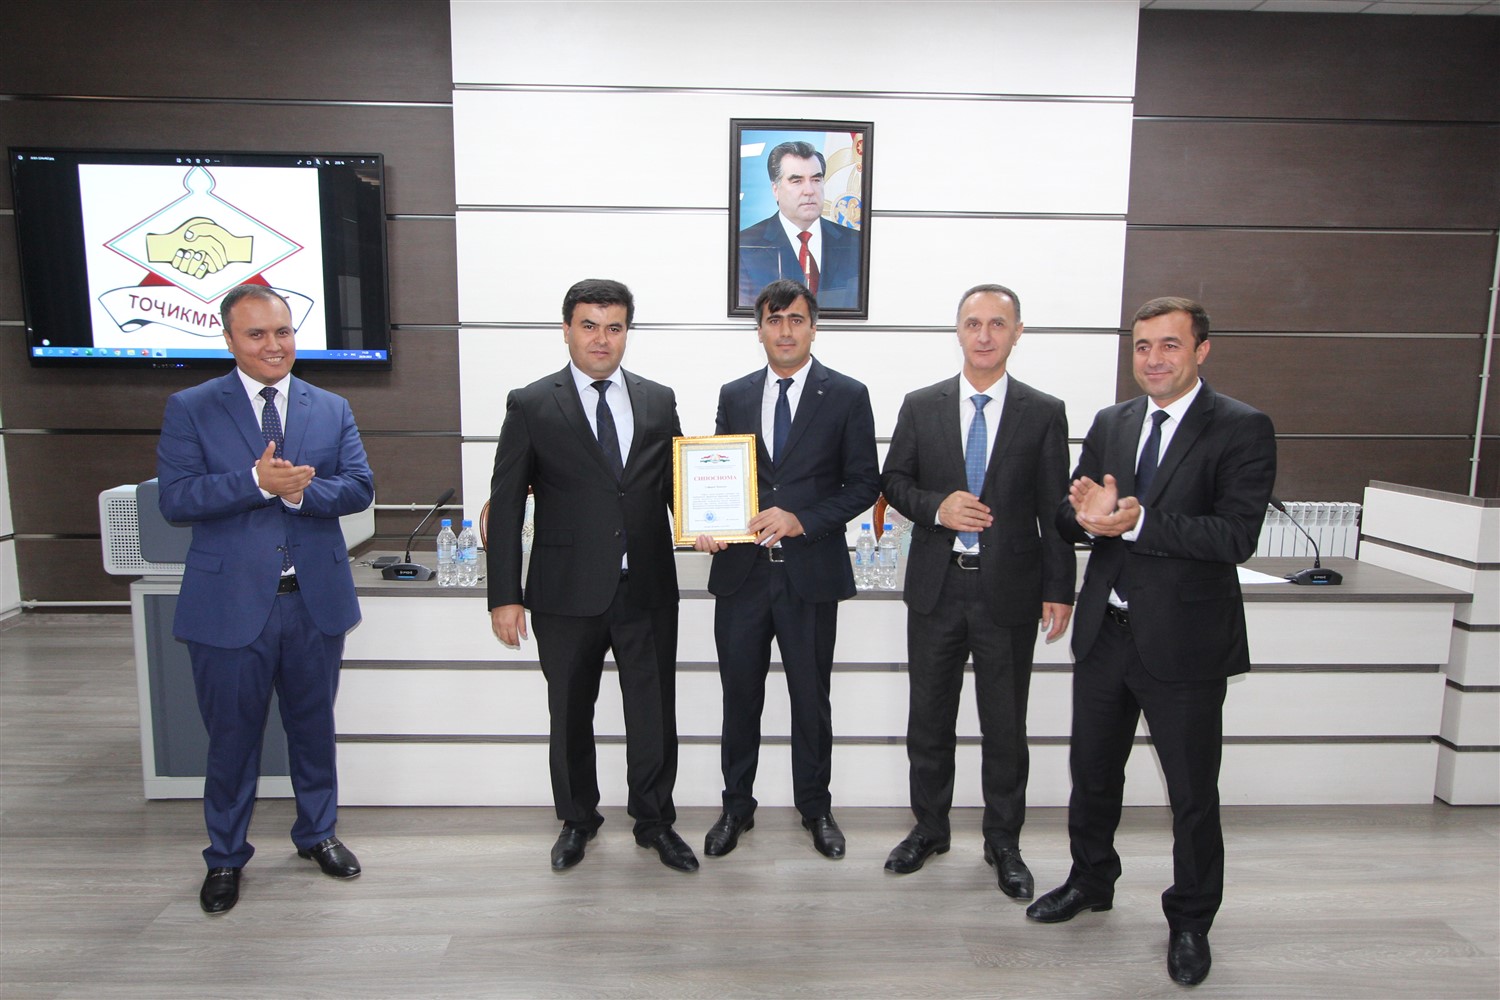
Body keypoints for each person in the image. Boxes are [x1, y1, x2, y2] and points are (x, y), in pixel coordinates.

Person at [1027, 296, 1277, 988]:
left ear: (1201, 350)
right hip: (1106, 632)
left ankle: (1191, 919)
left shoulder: (1242, 427)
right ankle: (1090, 880)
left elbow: (1236, 535)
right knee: (1093, 773)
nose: (1153, 358)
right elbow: (1074, 516)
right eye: (1142, 346)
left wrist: (1138, 523)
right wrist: (1082, 518)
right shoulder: (1113, 422)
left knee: (1192, 792)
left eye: (1169, 345)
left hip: (1185, 644)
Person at [157, 284, 374, 914]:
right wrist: (255, 482)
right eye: (256, 334)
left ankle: (317, 833)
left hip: (313, 602)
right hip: (228, 606)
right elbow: (177, 499)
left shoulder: (330, 407)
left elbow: (359, 487)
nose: (273, 345)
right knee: (232, 738)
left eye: (283, 332)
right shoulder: (191, 407)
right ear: (229, 340)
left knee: (313, 727)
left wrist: (301, 494)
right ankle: (225, 856)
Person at [487, 278, 696, 874]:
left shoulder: (658, 400)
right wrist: (505, 596)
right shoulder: (531, 403)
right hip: (564, 590)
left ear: (627, 332)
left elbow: (679, 486)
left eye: (614, 327)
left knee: (654, 713)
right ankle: (577, 820)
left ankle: (655, 822)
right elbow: (507, 505)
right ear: (566, 330)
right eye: (589, 325)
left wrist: (708, 524)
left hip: (646, 587)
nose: (602, 339)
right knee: (570, 713)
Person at [879, 284, 1075, 896]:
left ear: (1018, 333)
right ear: (958, 331)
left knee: (1005, 727)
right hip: (936, 589)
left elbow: (1056, 509)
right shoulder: (921, 405)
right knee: (928, 720)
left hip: (1009, 594)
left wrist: (1060, 588)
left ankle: (1003, 841)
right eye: (972, 323)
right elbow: (894, 481)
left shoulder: (1044, 411)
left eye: (997, 324)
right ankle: (929, 828)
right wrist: (938, 507)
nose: (984, 335)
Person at [694, 278, 880, 860]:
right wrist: (709, 524)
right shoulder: (735, 394)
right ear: (759, 330)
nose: (785, 330)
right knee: (739, 698)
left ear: (813, 327)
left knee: (810, 700)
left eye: (796, 319)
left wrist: (803, 519)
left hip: (810, 573)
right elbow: (719, 474)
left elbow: (864, 484)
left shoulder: (847, 395)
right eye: (774, 320)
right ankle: (736, 807)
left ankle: (816, 809)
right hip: (742, 575)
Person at [737, 141, 862, 310]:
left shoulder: (856, 243)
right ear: (775, 189)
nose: (809, 190)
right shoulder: (744, 246)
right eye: (797, 181)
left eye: (816, 179)